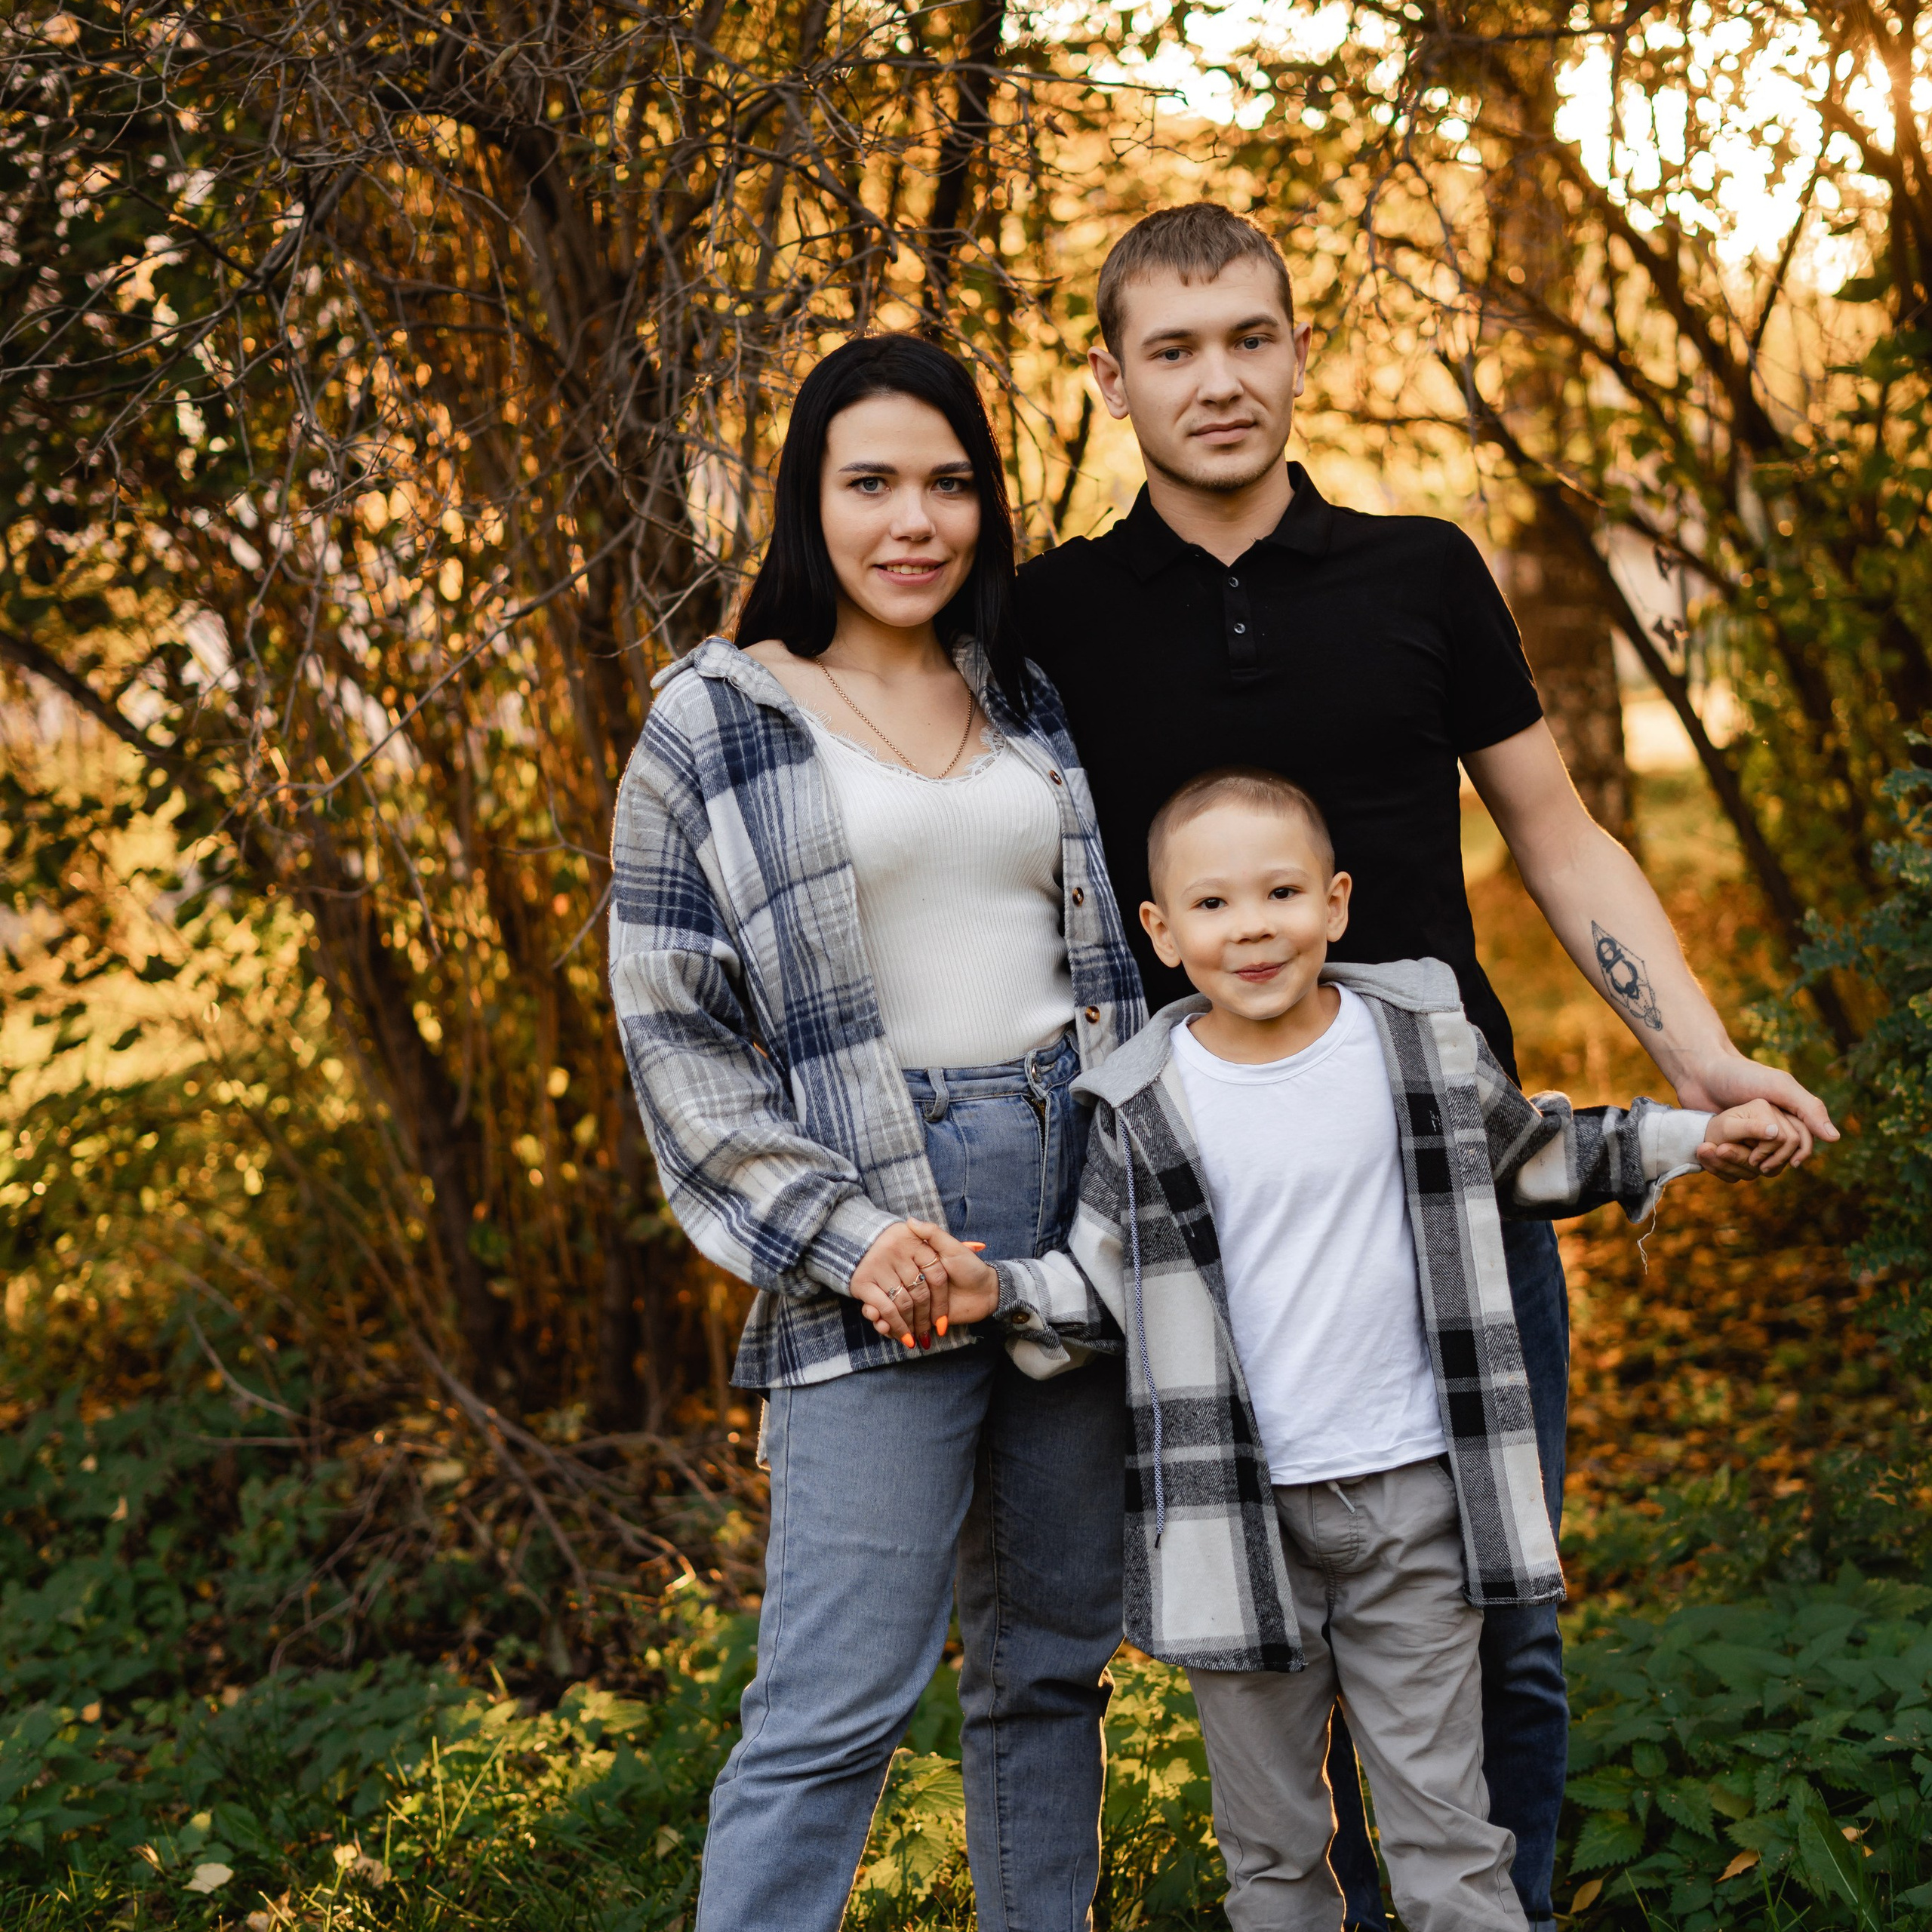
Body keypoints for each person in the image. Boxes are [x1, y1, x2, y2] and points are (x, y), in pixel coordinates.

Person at [1011, 202, 1837, 1932]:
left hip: (1441, 1186)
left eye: (1249, 335)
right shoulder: (1051, 618)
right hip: (1193, 1209)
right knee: (1258, 1643)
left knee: (1500, 1621)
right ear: (1108, 378)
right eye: (1171, 348)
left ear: (1300, 346)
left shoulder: (1419, 572)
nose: (1216, 379)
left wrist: (1697, 1056)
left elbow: (1556, 829)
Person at [918, 769, 1807, 1932]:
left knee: (1448, 1830)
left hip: (1413, 1506)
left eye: (1282, 893)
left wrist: (1693, 1137)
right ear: (1161, 930)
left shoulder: (1416, 1046)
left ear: (1336, 903)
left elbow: (1537, 1151)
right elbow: (1099, 1288)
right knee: (1275, 1856)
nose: (1253, 928)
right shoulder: (1142, 1105)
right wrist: (996, 1290)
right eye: (1216, 905)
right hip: (1237, 1522)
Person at [607, 332, 1145, 1931]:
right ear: (808, 501)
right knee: (832, 1700)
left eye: (947, 482)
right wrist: (852, 1239)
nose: (913, 519)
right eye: (870, 484)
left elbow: (1102, 972)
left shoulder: (1025, 695)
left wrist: (1111, 1212)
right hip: (873, 1211)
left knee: (1047, 1670)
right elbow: (673, 1033)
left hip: (1062, 1200)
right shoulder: (716, 716)